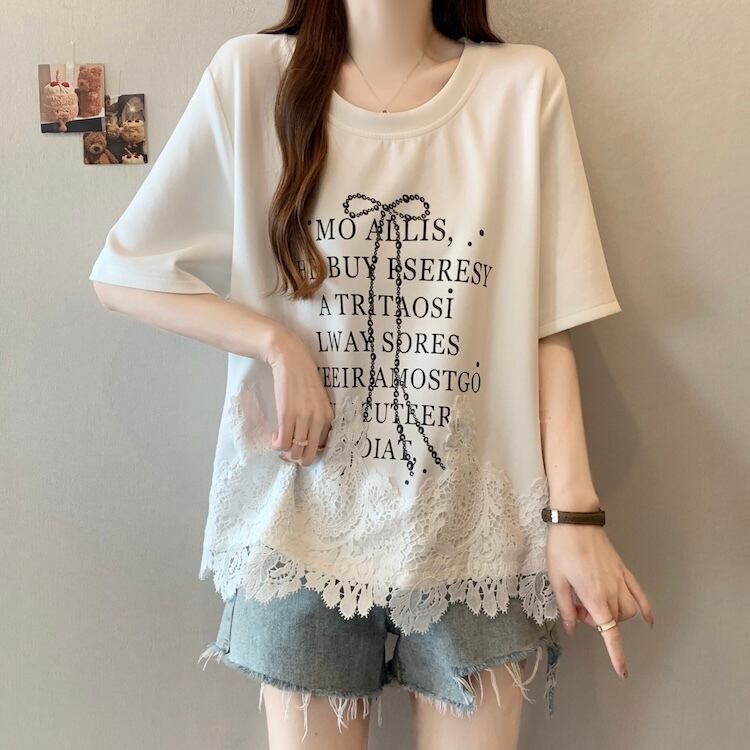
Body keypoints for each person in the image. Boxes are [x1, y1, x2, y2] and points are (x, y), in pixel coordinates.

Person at [89, 1, 654, 748]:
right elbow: (125, 272)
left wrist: (575, 518)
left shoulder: (521, 87)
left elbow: (550, 320)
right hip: (299, 523)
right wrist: (275, 343)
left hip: (473, 532)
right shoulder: (252, 77)